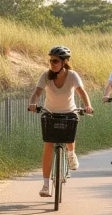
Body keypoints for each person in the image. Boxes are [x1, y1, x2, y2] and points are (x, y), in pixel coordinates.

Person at [28, 46, 94, 198]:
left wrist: (88, 106)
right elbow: (37, 92)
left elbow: (81, 92)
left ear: (64, 62)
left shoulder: (72, 75)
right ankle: (45, 184)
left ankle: (71, 154)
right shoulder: (46, 75)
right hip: (50, 112)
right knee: (48, 145)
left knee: (69, 136)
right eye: (51, 60)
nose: (52, 63)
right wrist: (33, 103)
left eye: (56, 61)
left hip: (68, 111)